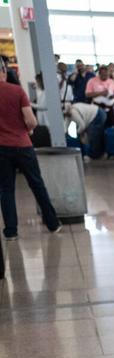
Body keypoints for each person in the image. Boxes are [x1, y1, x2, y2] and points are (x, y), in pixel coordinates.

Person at [0, 74, 61, 240]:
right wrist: (24, 129)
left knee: (6, 189)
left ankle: (11, 231)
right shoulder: (17, 91)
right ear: (3, 71)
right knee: (36, 184)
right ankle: (52, 223)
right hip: (22, 145)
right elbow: (31, 121)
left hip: (1, 148)